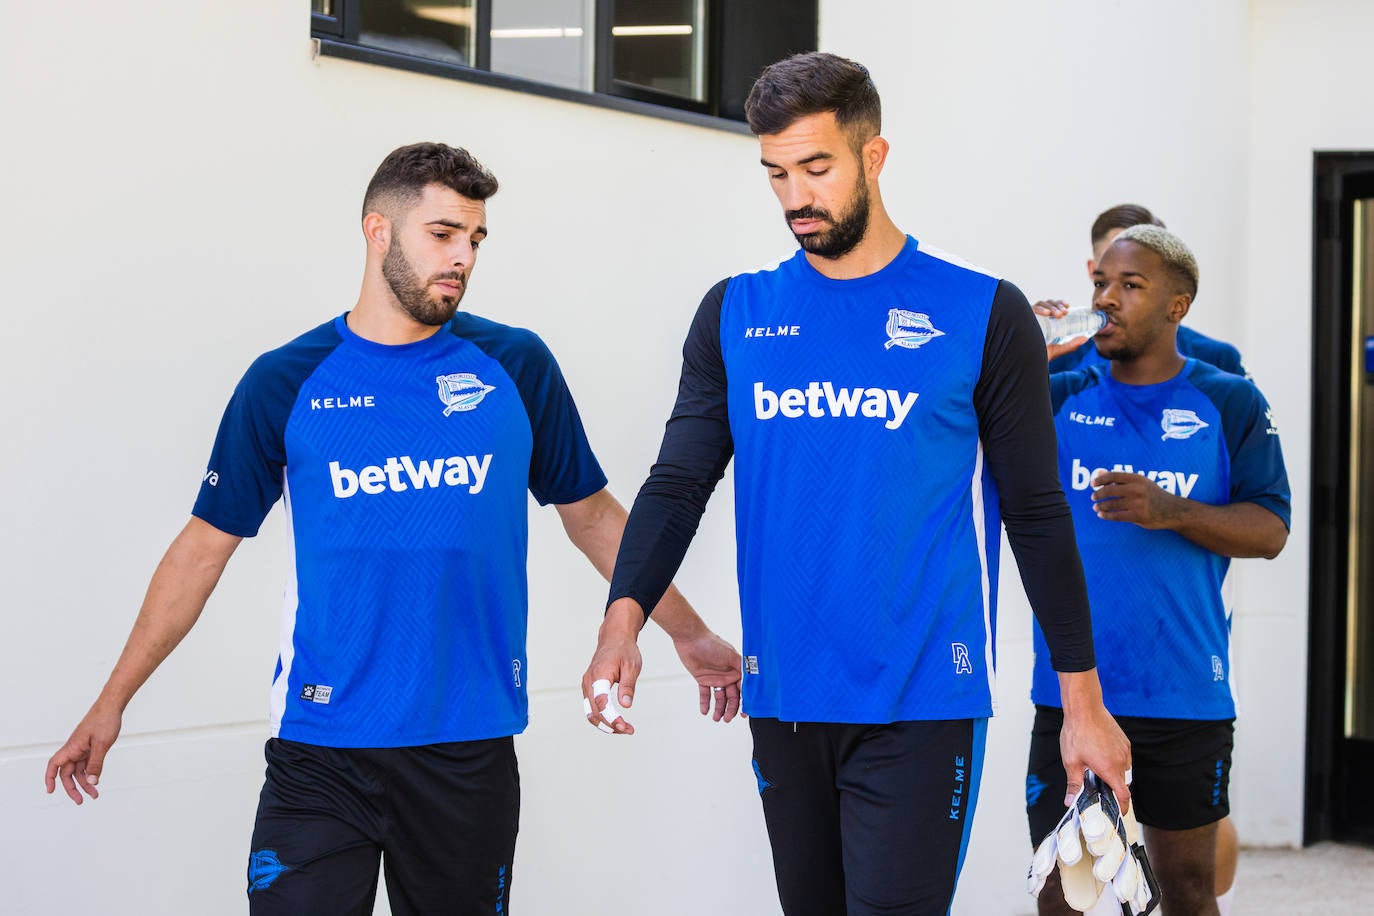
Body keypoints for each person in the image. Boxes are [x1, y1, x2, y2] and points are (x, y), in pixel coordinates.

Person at [44, 142, 742, 915]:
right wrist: (113, 700)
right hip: (320, 747)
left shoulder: (514, 365)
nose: (463, 258)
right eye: (442, 234)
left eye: (475, 239)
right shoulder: (286, 379)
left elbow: (595, 518)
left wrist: (684, 630)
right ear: (378, 231)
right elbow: (201, 551)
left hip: (466, 752)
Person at [580, 52, 1131, 915]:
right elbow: (679, 481)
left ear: (873, 157)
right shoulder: (735, 312)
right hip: (785, 695)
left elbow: (1034, 512)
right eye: (775, 174)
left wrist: (1082, 707)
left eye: (816, 167)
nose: (795, 195)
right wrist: (624, 622)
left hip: (922, 696)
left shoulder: (983, 312)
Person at [1025, 225, 1290, 916]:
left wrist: (1170, 510)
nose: (1108, 299)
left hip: (1183, 695)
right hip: (1076, 697)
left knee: (1188, 894)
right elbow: (961, 426)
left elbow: (1270, 529)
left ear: (1179, 305)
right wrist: (1022, 353)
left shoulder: (1230, 401)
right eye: (1101, 285)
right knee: (1066, 900)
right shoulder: (1056, 392)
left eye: (1130, 286)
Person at [1043, 204, 1247, 378]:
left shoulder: (1217, 361)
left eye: (1132, 280)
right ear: (1093, 270)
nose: (1107, 299)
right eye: (1103, 278)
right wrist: (1027, 350)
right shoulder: (1061, 360)